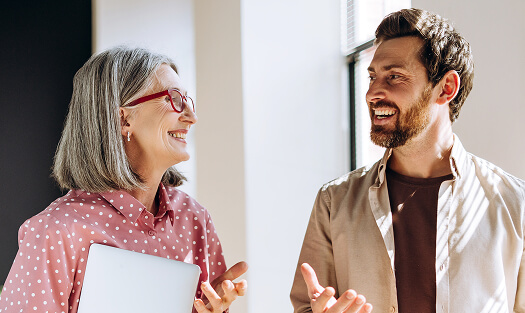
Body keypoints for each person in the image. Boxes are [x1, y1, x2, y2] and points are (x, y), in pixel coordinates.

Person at [290, 8, 525, 313]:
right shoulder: (333, 202)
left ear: (446, 88)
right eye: (372, 77)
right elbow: (307, 307)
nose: (373, 93)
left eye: (395, 77)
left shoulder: (514, 204)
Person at [0, 46, 247, 313]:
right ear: (123, 118)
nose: (191, 116)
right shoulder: (55, 231)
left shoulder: (194, 218)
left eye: (188, 100)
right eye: (173, 99)